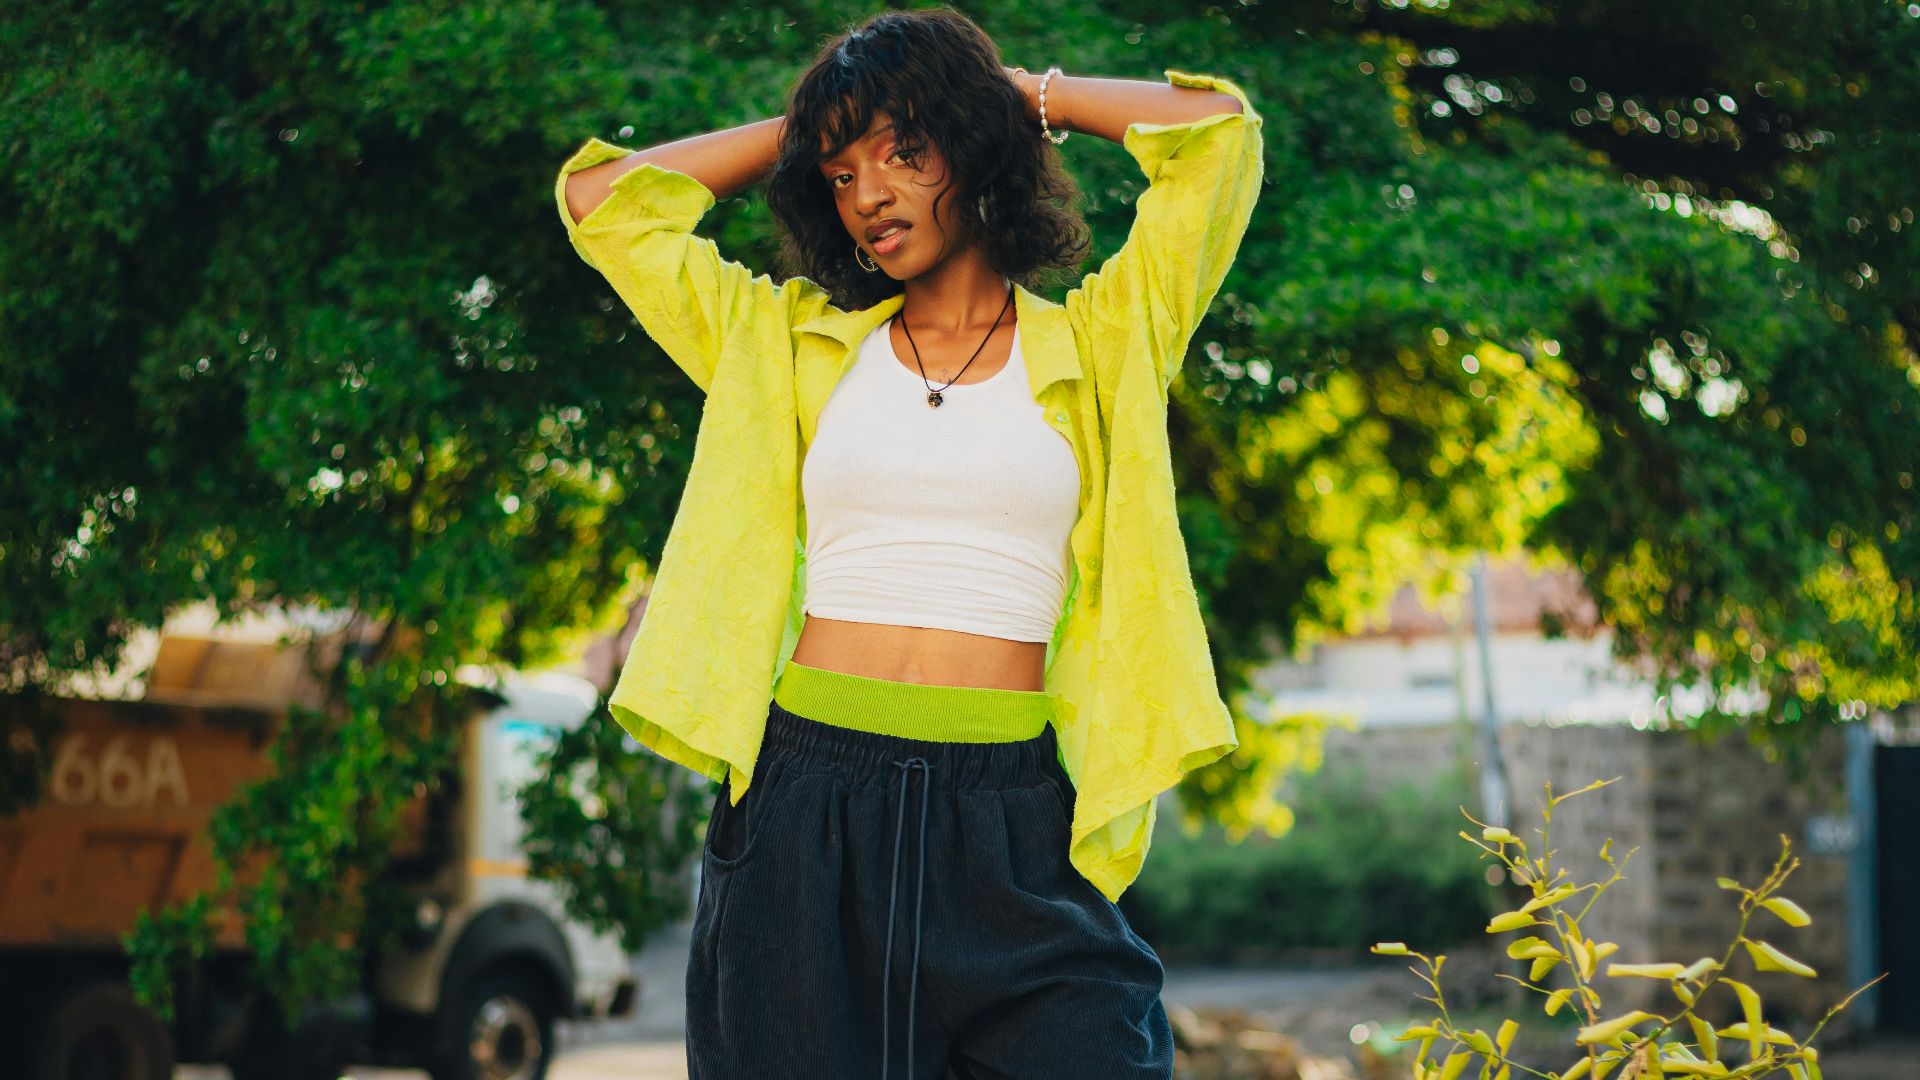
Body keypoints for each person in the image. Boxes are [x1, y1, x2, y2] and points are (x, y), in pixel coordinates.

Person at [557, 7, 1264, 1078]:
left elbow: (1218, 134)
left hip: (1013, 824)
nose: (869, 196)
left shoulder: (1105, 342)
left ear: (973, 150)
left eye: (903, 152)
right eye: (839, 177)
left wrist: (1027, 95)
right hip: (805, 814)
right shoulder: (783, 347)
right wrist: (814, 122)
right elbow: (601, 204)